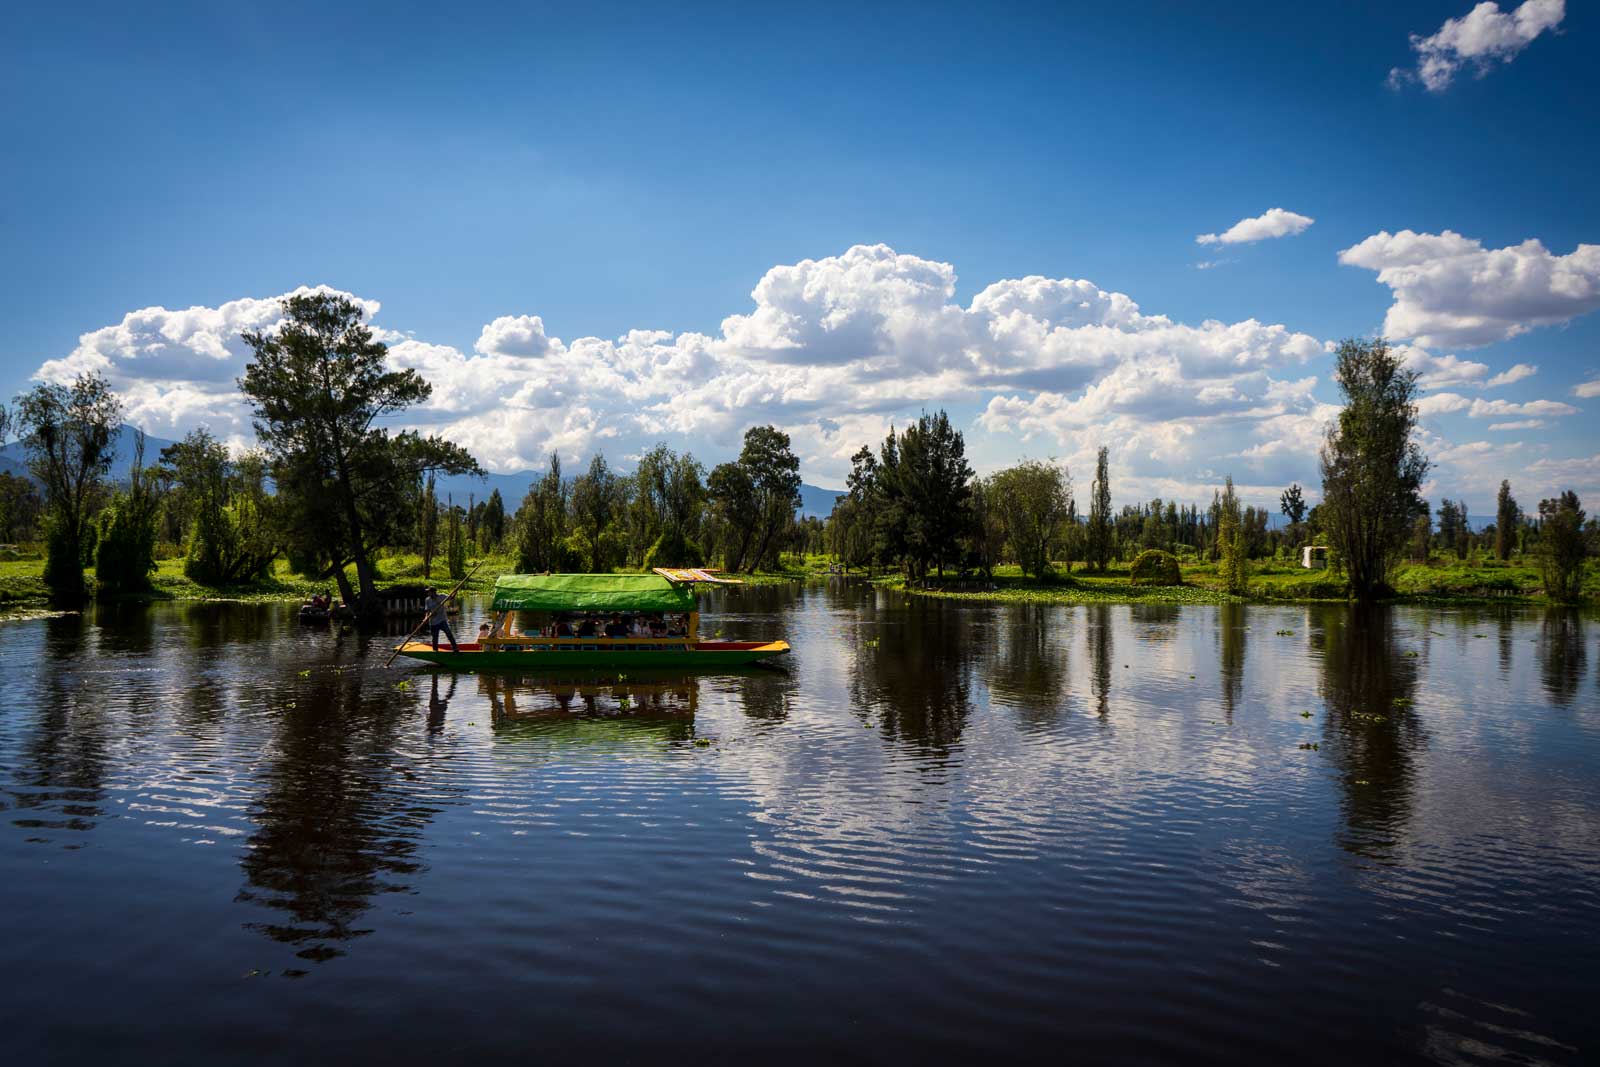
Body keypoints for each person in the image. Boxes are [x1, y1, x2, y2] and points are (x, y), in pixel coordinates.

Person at [423, 586, 458, 652]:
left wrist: (455, 591)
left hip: (442, 620)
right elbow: (427, 610)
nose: (428, 593)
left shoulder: (441, 596)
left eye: (429, 592)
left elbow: (451, 597)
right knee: (435, 638)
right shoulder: (427, 600)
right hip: (433, 622)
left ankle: (455, 648)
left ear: (433, 592)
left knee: (449, 634)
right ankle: (435, 651)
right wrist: (426, 618)